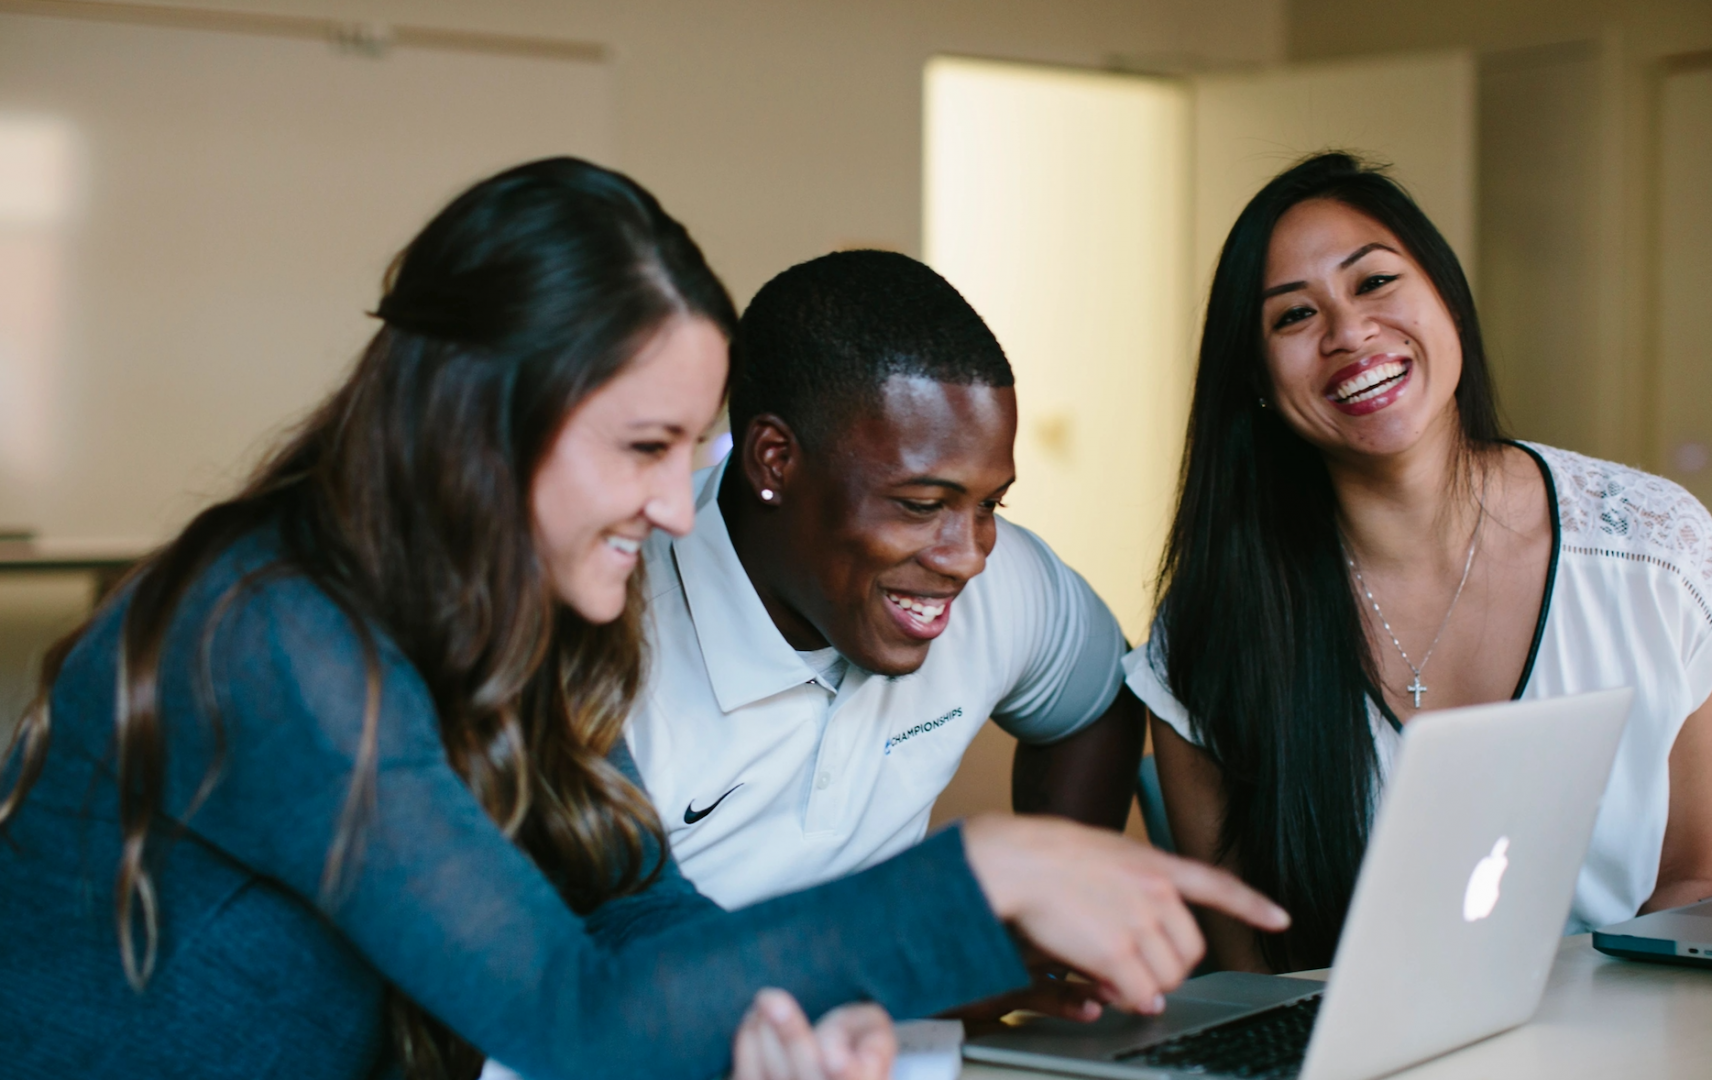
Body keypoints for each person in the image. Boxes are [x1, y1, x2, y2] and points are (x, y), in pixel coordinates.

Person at [0, 158, 1290, 1080]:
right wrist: (990, 875)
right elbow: (572, 1009)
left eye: (694, 449)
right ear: (480, 422)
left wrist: (785, 1015)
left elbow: (631, 906)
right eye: (645, 447)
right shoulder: (274, 639)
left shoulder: (507, 619)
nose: (681, 506)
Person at [1127, 152, 1712, 974]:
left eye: (1376, 282)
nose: (1349, 333)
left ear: (1447, 300)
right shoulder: (1217, 621)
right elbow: (1247, 973)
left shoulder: (1663, 557)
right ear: (1254, 380)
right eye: (1292, 317)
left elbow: (1698, 881)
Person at [625, 250, 1145, 915]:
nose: (968, 558)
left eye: (991, 505)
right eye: (922, 505)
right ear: (774, 461)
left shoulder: (991, 580)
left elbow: (1098, 699)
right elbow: (595, 989)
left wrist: (1043, 942)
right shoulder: (609, 646)